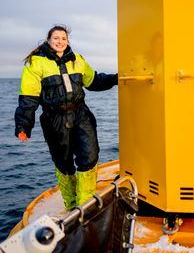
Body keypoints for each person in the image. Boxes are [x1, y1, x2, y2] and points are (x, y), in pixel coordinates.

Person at [14, 25, 118, 210]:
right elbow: (28, 97)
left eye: (63, 38)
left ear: (67, 41)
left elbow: (94, 81)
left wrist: (118, 78)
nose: (60, 41)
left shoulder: (77, 59)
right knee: (64, 162)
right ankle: (71, 205)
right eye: (56, 38)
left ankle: (85, 205)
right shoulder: (35, 63)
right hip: (55, 120)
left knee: (90, 156)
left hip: (81, 115)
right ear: (48, 40)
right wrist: (23, 126)